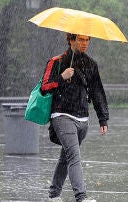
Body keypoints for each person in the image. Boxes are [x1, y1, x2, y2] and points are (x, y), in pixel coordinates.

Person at [42, 33, 109, 202]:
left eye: (87, 40)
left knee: (66, 156)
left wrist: (103, 118)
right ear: (71, 40)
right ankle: (81, 197)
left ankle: (53, 195)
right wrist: (62, 77)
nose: (84, 43)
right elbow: (45, 87)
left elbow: (97, 92)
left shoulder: (91, 64)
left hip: (83, 119)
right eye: (80, 39)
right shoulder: (56, 61)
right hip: (62, 115)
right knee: (74, 156)